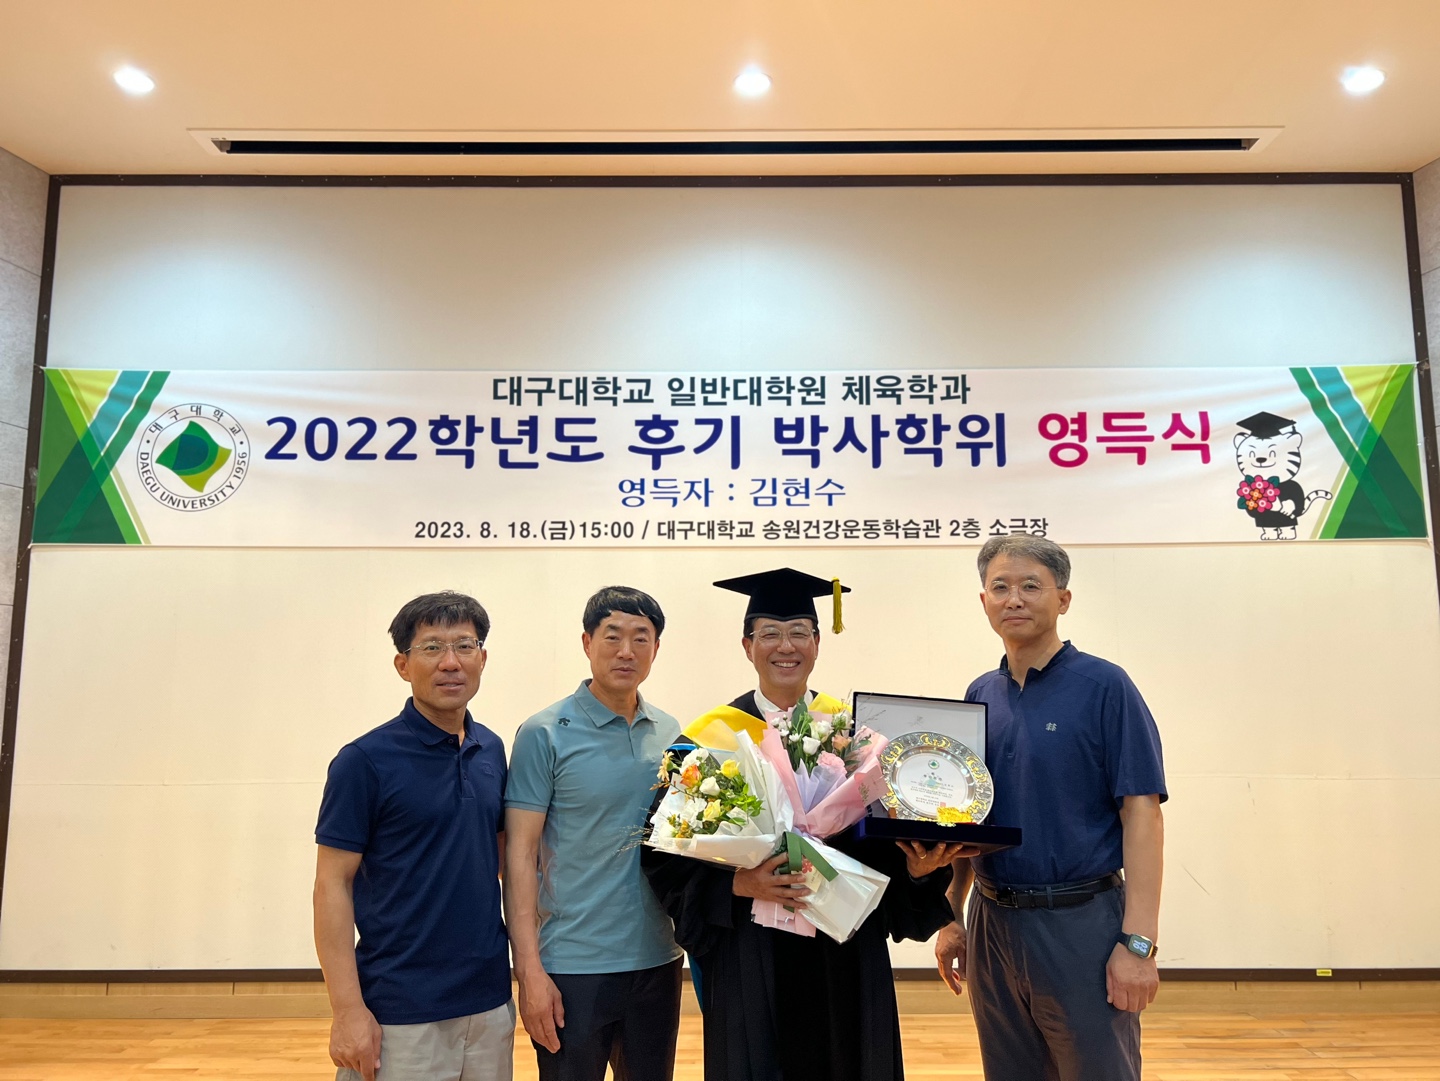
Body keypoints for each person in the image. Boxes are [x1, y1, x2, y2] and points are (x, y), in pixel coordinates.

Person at [642, 567, 966, 1081]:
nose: (785, 646)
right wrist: (738, 883)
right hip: (752, 951)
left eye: (798, 632)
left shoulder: (857, 736)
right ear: (747, 646)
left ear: (817, 643)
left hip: (846, 950)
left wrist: (918, 871)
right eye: (769, 633)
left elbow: (887, 849)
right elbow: (664, 854)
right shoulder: (707, 739)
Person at [935, 535, 1167, 1081]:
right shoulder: (979, 694)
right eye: (1000, 587)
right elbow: (964, 818)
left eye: (1030, 586)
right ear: (984, 601)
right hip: (992, 923)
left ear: (1063, 599)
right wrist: (952, 916)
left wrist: (1138, 944)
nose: (1014, 599)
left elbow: (1143, 815)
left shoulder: (1105, 686)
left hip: (1080, 925)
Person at [314, 591, 513, 1081]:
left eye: (464, 646)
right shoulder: (364, 761)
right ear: (403, 665)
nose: (451, 662)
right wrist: (347, 1010)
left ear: (482, 658)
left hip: (489, 1003)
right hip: (399, 1009)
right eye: (432, 648)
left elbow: (502, 862)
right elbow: (331, 885)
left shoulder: (491, 749)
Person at [504, 586, 683, 1081]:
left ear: (655, 649)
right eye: (612, 636)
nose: (626, 651)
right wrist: (529, 972)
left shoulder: (671, 733)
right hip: (571, 965)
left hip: (657, 959)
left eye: (641, 638)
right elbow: (519, 856)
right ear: (587, 642)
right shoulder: (544, 733)